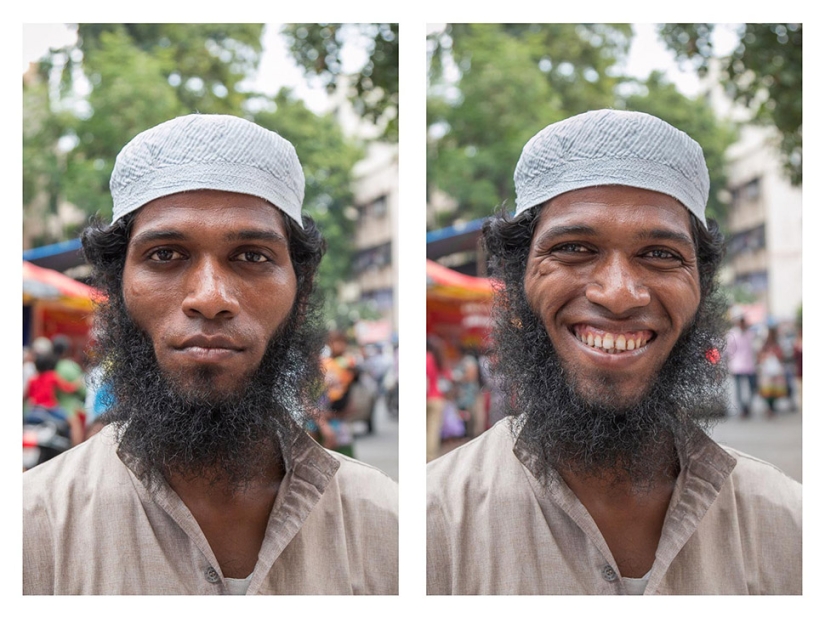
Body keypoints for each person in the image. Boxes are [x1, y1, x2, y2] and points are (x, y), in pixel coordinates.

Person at [427, 110, 801, 594]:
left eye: (660, 255)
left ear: (701, 289)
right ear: (518, 281)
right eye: (575, 249)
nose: (619, 294)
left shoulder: (790, 528)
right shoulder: (429, 526)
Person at [23, 114, 398, 595]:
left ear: (300, 293)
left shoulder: (392, 528)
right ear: (116, 288)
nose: (210, 296)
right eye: (164, 255)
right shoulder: (31, 529)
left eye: (251, 256)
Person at [725, 313, 758, 417]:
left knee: (752, 387)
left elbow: (754, 349)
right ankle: (742, 408)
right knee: (739, 389)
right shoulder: (732, 334)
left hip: (749, 365)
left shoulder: (750, 334)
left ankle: (747, 405)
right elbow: (729, 351)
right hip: (737, 365)